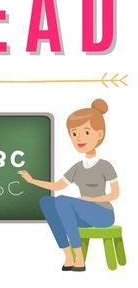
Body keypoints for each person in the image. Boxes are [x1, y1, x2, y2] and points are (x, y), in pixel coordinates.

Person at [18, 99, 119, 272]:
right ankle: (68, 254)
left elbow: (114, 194)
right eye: (74, 133)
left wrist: (91, 198)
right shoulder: (77, 167)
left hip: (103, 214)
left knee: (63, 201)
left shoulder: (105, 165)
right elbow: (57, 186)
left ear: (99, 134)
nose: (79, 138)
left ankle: (79, 257)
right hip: (83, 214)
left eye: (85, 132)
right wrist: (32, 180)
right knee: (47, 201)